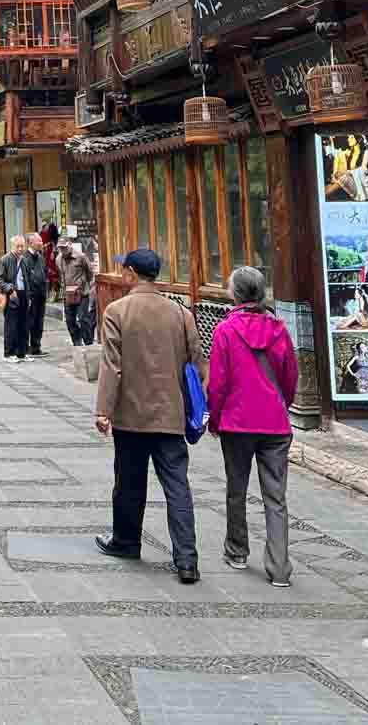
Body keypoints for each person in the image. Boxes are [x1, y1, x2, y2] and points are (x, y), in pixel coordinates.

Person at [93, 247, 204, 583]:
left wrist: (103, 410)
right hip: (171, 414)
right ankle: (187, 559)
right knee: (177, 486)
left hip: (131, 415)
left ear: (130, 273)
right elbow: (197, 363)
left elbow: (112, 366)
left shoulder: (117, 311)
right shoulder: (180, 313)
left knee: (129, 482)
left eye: (123, 270)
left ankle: (127, 542)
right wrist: (197, 405)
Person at [207, 265, 297, 587]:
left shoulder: (225, 331)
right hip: (274, 423)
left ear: (235, 294)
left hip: (237, 422)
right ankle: (280, 569)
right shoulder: (279, 330)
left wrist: (214, 418)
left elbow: (218, 382)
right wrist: (280, 406)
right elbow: (290, 377)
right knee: (276, 497)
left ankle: (237, 551)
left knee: (237, 489)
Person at [0, 234, 32, 360]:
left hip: (23, 294)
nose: (20, 249)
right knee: (11, 325)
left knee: (24, 324)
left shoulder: (24, 260)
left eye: (22, 246)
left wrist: (29, 295)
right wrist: (10, 289)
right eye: (18, 246)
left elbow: (27, 278)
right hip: (11, 294)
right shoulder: (5, 260)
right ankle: (9, 353)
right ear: (12, 246)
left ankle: (22, 352)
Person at [58, 235, 97, 347]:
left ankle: (88, 343)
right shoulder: (58, 259)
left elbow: (90, 273)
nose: (63, 250)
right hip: (67, 293)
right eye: (60, 248)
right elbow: (61, 276)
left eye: (65, 247)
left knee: (83, 319)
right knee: (69, 320)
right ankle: (77, 342)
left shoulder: (81, 257)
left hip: (82, 293)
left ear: (70, 245)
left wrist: (85, 284)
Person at [24, 233, 50, 355]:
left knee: (39, 322)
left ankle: (36, 347)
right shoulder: (25, 258)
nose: (41, 243)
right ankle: (26, 347)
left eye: (41, 241)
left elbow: (44, 273)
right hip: (31, 296)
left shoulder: (40, 257)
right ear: (31, 243)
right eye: (38, 241)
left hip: (41, 295)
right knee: (29, 321)